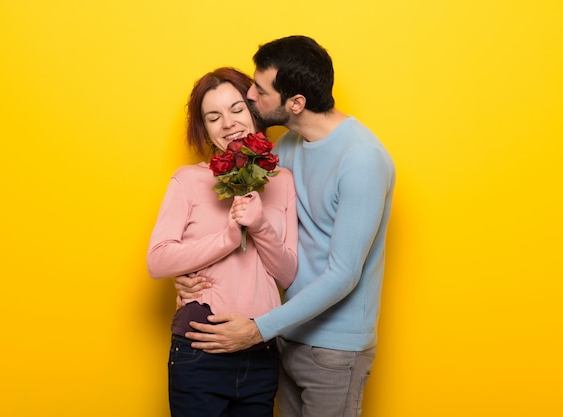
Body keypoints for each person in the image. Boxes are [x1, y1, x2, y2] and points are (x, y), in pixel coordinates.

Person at [175, 36, 396, 417]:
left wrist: (259, 328)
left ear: (295, 103)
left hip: (333, 350)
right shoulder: (285, 149)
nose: (250, 95)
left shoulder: (363, 160)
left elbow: (343, 274)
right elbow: (249, 225)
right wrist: (188, 274)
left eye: (260, 91)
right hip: (285, 336)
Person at [147, 67, 298, 417]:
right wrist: (228, 238)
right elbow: (158, 260)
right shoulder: (187, 180)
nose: (228, 123)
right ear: (204, 128)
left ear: (254, 109)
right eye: (213, 117)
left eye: (236, 109)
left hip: (260, 351)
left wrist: (259, 225)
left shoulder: (283, 181)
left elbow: (288, 274)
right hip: (200, 351)